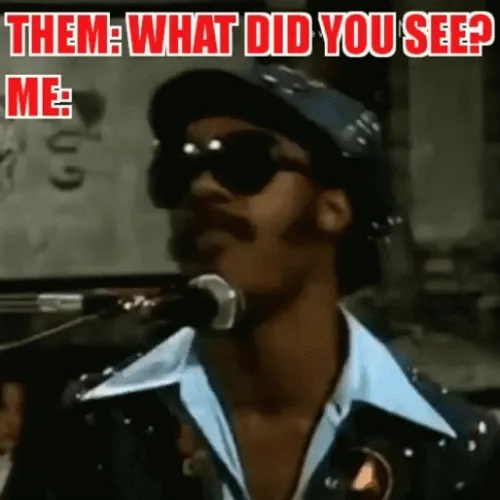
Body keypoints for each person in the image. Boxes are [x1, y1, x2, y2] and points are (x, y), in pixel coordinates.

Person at [47, 64, 500, 500]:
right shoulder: (97, 426)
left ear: (334, 208)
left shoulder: (456, 453)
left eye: (245, 162)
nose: (201, 188)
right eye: (178, 169)